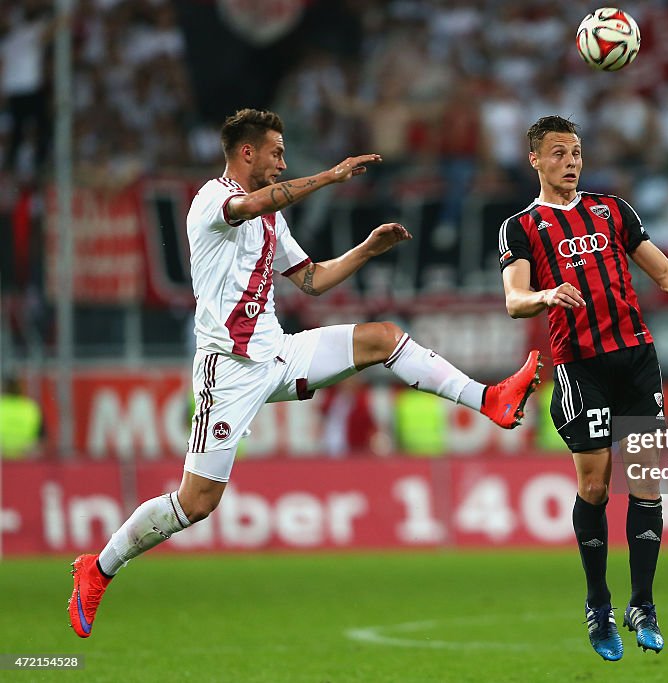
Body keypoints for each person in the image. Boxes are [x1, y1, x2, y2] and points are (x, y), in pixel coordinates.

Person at [68, 108, 542, 638]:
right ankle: (99, 568)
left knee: (380, 338)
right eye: (275, 152)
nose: (282, 162)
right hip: (228, 369)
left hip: (279, 352)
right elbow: (254, 202)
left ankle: (490, 398)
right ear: (246, 153)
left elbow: (311, 280)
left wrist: (367, 249)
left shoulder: (273, 217)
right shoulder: (211, 199)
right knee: (196, 502)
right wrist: (330, 176)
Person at [499, 116, 668, 661]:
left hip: (635, 359)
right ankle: (598, 604)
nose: (571, 161)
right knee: (596, 489)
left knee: (647, 482)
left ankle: (643, 605)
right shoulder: (521, 227)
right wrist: (546, 295)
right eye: (558, 153)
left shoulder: (612, 210)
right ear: (535, 160)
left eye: (576, 151)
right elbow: (514, 300)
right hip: (580, 367)